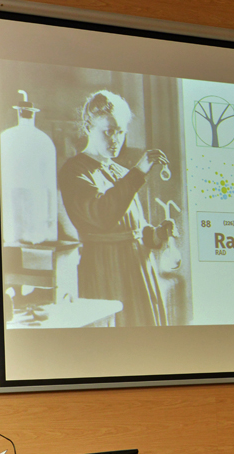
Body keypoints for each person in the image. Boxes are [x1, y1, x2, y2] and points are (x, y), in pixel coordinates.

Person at [59, 89, 173, 326]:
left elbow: (136, 230)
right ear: (88, 126)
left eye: (120, 132)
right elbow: (102, 216)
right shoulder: (75, 170)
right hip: (105, 271)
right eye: (109, 131)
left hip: (139, 271)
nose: (115, 140)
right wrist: (139, 172)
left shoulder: (121, 172)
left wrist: (158, 234)